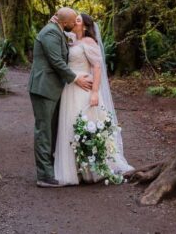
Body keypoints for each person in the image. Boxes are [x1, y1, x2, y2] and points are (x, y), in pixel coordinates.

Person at [53, 13, 133, 184]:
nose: (75, 21)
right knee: (69, 125)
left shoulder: (89, 42)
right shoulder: (72, 40)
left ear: (85, 26)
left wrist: (95, 92)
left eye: (79, 20)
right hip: (70, 88)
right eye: (74, 19)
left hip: (84, 89)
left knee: (83, 123)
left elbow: (97, 67)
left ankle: (93, 168)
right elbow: (58, 26)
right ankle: (74, 170)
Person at [29, 7, 92, 187]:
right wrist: (75, 78)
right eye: (72, 22)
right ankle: (44, 176)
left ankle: (51, 169)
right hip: (43, 88)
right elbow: (56, 60)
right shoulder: (50, 33)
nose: (74, 25)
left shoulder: (57, 30)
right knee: (44, 131)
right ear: (64, 22)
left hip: (53, 88)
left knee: (52, 130)